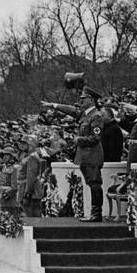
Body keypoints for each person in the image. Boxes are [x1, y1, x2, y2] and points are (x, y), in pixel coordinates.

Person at [42, 86, 105, 222]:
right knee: (91, 183)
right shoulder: (86, 114)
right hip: (85, 156)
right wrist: (54, 105)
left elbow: (96, 138)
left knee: (95, 184)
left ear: (91, 100)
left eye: (84, 99)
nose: (81, 101)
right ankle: (95, 213)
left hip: (92, 156)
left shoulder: (96, 116)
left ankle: (96, 214)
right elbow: (71, 110)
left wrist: (78, 140)